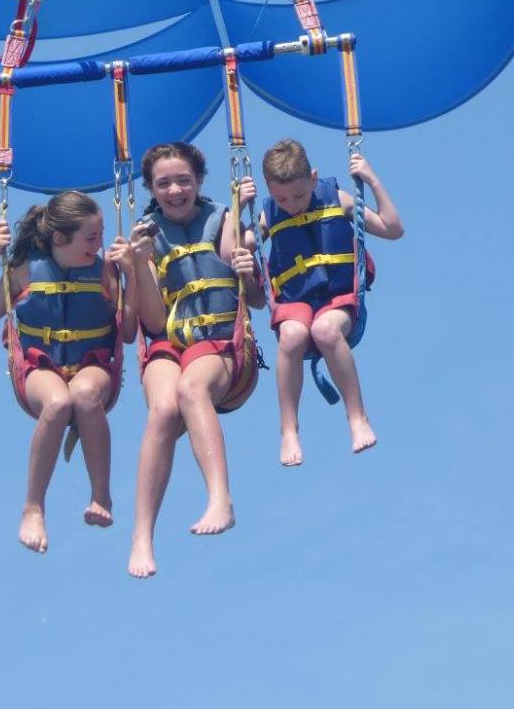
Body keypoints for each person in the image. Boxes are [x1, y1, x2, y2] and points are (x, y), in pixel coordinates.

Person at [127, 141, 265, 579]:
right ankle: (142, 537)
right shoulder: (145, 235)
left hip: (222, 343)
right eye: (163, 183)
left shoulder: (225, 219)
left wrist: (247, 265)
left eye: (183, 180)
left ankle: (221, 498)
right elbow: (150, 321)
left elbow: (257, 300)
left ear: (199, 182)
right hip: (171, 342)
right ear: (150, 188)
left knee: (191, 388)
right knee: (164, 409)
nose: (174, 190)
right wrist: (138, 266)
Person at [0, 191, 137, 554]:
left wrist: (132, 277)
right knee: (57, 402)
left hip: (93, 363)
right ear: (60, 239)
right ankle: (33, 507)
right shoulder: (23, 269)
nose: (99, 245)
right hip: (39, 363)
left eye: (100, 235)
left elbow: (127, 333)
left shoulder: (105, 270)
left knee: (82, 395)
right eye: (91, 238)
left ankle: (102, 497)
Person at [259, 138, 403, 466]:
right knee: (293, 335)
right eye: (281, 198)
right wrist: (241, 205)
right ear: (269, 189)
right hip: (296, 304)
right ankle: (289, 430)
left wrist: (372, 180)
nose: (292, 205)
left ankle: (357, 418)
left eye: (299, 195)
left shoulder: (336, 199)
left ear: (313, 178)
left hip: (337, 301)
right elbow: (232, 250)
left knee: (324, 330)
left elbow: (393, 229)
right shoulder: (268, 214)